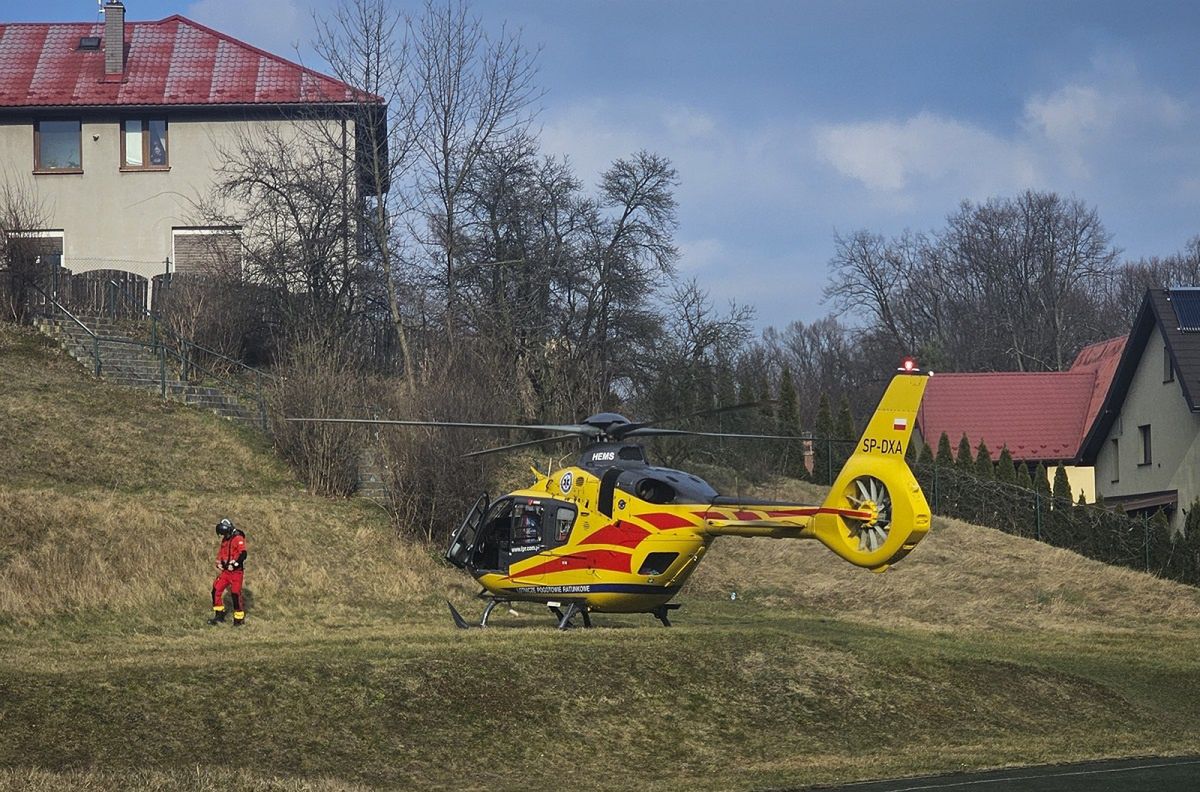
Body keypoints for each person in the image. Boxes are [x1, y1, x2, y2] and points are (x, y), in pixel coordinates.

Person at [208, 518, 247, 626]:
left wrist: (234, 564)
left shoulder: (238, 538)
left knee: (235, 594)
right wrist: (218, 562)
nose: (222, 536)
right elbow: (222, 552)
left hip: (236, 573)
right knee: (216, 590)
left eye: (223, 533)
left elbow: (243, 554)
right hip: (226, 572)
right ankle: (219, 615)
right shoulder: (225, 539)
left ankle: (238, 619)